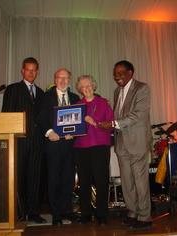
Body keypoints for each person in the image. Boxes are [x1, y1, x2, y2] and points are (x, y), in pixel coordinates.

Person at [99, 60, 152, 230]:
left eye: (121, 73)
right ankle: (132, 212)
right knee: (127, 181)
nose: (117, 77)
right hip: (121, 143)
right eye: (115, 74)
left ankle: (145, 216)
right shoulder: (117, 92)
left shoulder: (142, 88)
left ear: (131, 72)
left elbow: (138, 115)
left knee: (140, 181)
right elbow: (117, 114)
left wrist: (113, 123)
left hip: (137, 142)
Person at [1, 57, 46, 223]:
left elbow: (43, 118)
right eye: (28, 69)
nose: (31, 72)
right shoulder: (12, 89)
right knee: (18, 177)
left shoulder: (41, 93)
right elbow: (6, 115)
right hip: (18, 142)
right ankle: (18, 212)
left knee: (35, 178)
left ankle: (33, 212)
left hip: (37, 143)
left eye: (34, 70)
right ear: (22, 71)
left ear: (37, 72)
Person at [37, 68, 80, 225]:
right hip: (53, 144)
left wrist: (74, 132)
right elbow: (41, 117)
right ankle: (56, 214)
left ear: (69, 80)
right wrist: (49, 132)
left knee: (69, 180)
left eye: (66, 78)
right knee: (54, 179)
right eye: (59, 78)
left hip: (70, 145)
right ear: (55, 80)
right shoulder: (46, 96)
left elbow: (78, 120)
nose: (62, 81)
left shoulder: (75, 98)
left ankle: (66, 210)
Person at [73, 75, 114, 225]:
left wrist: (94, 123)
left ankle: (102, 214)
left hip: (100, 146)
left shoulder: (104, 103)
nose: (86, 88)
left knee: (101, 180)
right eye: (83, 86)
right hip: (81, 147)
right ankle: (85, 214)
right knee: (84, 182)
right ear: (80, 90)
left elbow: (110, 125)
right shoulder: (77, 105)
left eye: (89, 85)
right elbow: (73, 127)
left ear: (93, 86)